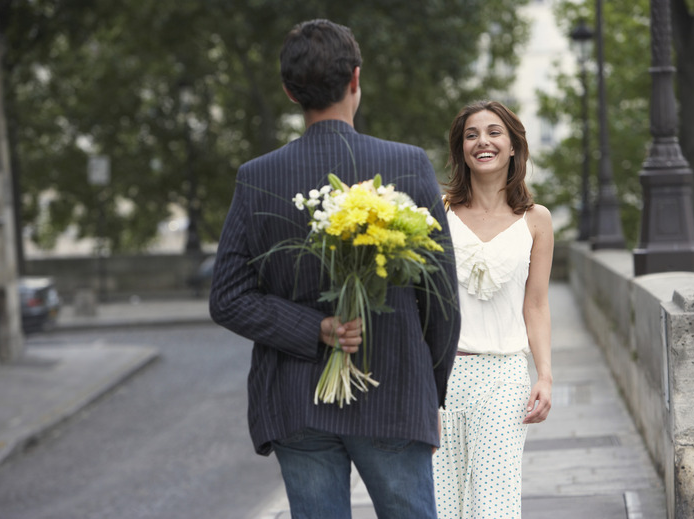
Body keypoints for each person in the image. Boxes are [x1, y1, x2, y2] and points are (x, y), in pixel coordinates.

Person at [208, 19, 461, 519]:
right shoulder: (408, 165)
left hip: (297, 403)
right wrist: (430, 393)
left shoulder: (256, 178)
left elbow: (228, 297)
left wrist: (315, 328)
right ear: (356, 79)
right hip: (395, 394)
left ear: (288, 91)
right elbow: (442, 299)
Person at [433, 100, 553, 518]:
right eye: (471, 134)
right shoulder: (436, 213)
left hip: (504, 377)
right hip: (441, 378)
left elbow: (536, 303)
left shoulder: (536, 220)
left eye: (493, 132)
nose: (482, 141)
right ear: (460, 149)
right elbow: (421, 303)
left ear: (514, 146)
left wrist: (546, 376)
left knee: (492, 504)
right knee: (443, 504)